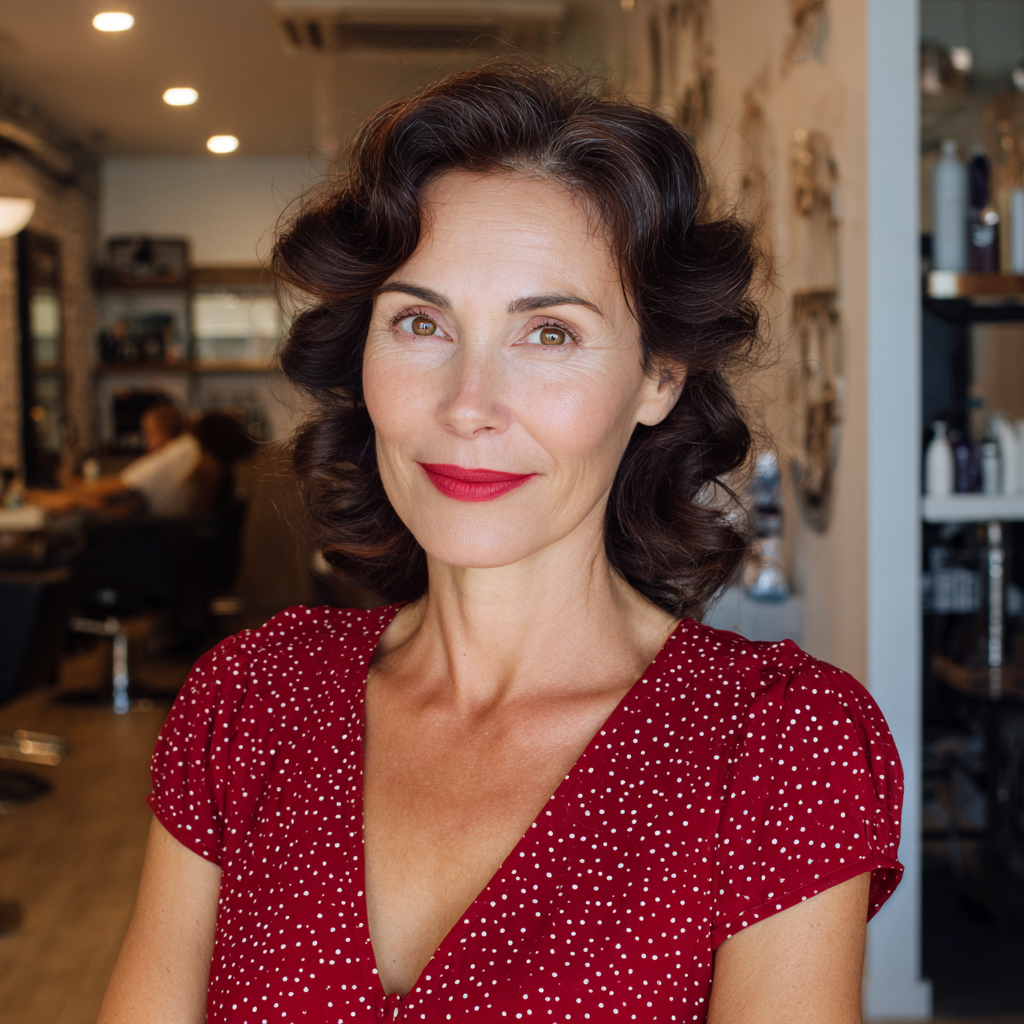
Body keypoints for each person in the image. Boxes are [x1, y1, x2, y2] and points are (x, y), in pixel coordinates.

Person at [98, 62, 902, 1024]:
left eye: (549, 333)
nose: (468, 405)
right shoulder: (249, 703)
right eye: (421, 322)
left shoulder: (775, 746)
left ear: (658, 376)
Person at [29, 401, 205, 518]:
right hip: (162, 532)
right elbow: (112, 500)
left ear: (165, 431)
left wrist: (66, 489)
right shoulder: (185, 448)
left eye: (148, 433)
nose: (146, 442)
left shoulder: (170, 456)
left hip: (155, 536)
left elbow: (107, 489)